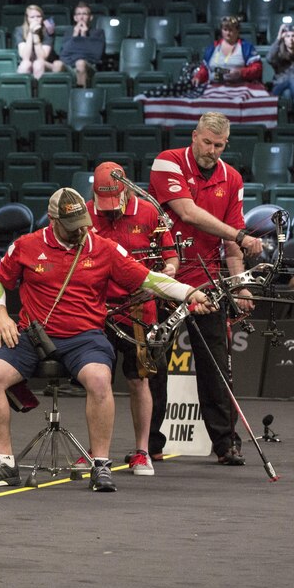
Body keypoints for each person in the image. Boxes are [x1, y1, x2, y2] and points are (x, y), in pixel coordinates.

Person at [0, 188, 214, 493]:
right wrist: (1, 315)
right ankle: (4, 463)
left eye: (83, 224)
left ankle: (100, 466)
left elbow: (148, 279)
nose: (80, 233)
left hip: (84, 337)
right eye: (72, 228)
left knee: (100, 379)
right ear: (52, 219)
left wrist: (189, 292)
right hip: (34, 335)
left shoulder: (104, 248)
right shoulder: (26, 245)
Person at [147, 112, 264, 466]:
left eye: (219, 145)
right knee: (156, 362)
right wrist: (241, 236)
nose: (211, 151)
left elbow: (230, 242)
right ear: (194, 136)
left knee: (216, 363)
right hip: (164, 277)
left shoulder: (233, 178)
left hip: (208, 281)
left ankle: (227, 443)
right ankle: (150, 444)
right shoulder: (167, 162)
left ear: (226, 144)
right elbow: (188, 212)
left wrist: (241, 285)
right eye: (207, 142)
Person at [87, 164, 178, 477]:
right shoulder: (84, 214)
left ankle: (142, 452)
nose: (110, 211)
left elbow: (171, 256)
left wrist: (169, 270)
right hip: (97, 310)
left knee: (139, 381)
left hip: (139, 309)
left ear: (125, 188)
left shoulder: (150, 212)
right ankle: (96, 453)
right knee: (97, 381)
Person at [192, 16, 263, 87]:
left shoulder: (246, 47)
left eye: (231, 30)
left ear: (238, 31)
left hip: (240, 86)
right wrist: (198, 77)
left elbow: (257, 69)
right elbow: (204, 69)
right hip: (214, 85)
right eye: (225, 30)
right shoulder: (213, 47)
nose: (228, 33)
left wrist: (240, 73)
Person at [58, 1, 105, 87]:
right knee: (57, 64)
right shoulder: (69, 32)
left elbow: (95, 55)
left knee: (80, 63)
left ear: (90, 17)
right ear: (75, 18)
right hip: (70, 65)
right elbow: (63, 54)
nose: (81, 17)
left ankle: (80, 95)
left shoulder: (97, 33)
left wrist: (83, 35)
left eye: (84, 14)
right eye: (79, 14)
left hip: (89, 66)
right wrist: (75, 35)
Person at [15, 4, 64, 80]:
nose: (36, 19)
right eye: (32, 17)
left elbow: (42, 57)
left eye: (38, 16)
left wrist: (36, 35)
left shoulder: (48, 30)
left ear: (42, 17)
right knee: (25, 65)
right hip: (29, 61)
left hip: (47, 63)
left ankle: (40, 90)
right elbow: (25, 57)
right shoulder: (19, 30)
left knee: (38, 63)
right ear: (27, 19)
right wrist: (31, 33)